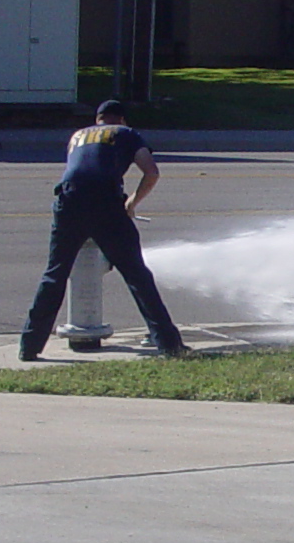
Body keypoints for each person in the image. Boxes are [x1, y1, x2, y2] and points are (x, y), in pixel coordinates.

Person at [18, 98, 190, 359]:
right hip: (105, 204)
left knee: (54, 275)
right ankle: (168, 344)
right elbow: (151, 172)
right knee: (136, 275)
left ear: (98, 118)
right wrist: (132, 202)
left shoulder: (78, 135)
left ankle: (29, 347)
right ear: (121, 119)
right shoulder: (126, 133)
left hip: (67, 202)